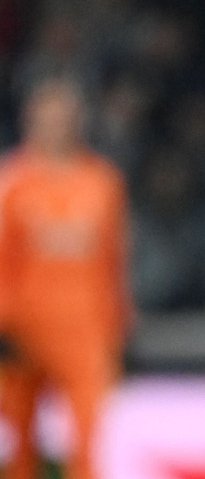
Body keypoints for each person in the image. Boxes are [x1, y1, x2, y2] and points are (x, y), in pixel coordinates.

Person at [0, 77, 133, 479]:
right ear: (30, 120)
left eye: (63, 118)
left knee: (89, 438)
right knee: (19, 441)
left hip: (84, 329)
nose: (55, 126)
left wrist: (118, 320)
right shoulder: (11, 182)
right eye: (47, 118)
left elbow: (114, 258)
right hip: (22, 329)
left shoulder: (102, 182)